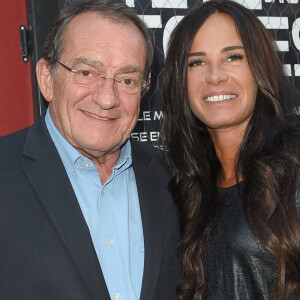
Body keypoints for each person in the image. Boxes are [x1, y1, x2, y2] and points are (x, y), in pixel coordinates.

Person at [0, 0, 180, 299]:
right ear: (47, 78)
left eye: (127, 80)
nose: (107, 98)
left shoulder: (170, 179)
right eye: (86, 73)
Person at [160, 0, 300, 299]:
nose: (214, 76)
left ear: (260, 67)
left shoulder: (295, 164)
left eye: (233, 57)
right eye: (196, 62)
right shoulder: (182, 186)